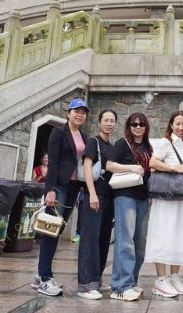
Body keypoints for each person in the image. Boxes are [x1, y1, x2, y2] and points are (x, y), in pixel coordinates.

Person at [33, 98, 89, 297]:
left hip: (74, 187)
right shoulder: (59, 132)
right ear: (69, 113)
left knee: (57, 229)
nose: (79, 115)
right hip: (59, 186)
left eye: (83, 112)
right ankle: (45, 278)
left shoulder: (83, 135)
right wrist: (50, 190)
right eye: (76, 111)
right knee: (51, 231)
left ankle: (40, 276)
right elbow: (54, 162)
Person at [146, 110, 183, 298]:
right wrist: (175, 168)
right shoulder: (166, 143)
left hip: (181, 199)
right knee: (163, 234)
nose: (181, 127)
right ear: (171, 125)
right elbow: (153, 163)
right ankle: (161, 279)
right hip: (166, 199)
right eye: (178, 124)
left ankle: (174, 276)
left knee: (179, 234)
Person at [106, 112, 152, 301]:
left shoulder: (148, 146)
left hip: (143, 197)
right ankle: (119, 286)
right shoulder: (122, 143)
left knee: (140, 244)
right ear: (129, 126)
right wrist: (131, 167)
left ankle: (131, 282)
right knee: (125, 241)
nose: (138, 127)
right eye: (134, 124)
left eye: (141, 124)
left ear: (146, 126)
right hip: (125, 196)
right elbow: (109, 165)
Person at [76, 109, 117, 300]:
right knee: (90, 239)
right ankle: (86, 284)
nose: (109, 123)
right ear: (100, 122)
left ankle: (96, 280)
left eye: (112, 121)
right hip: (95, 195)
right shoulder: (94, 142)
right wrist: (91, 193)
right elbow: (86, 166)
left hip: (108, 198)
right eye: (106, 120)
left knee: (103, 240)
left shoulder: (111, 145)